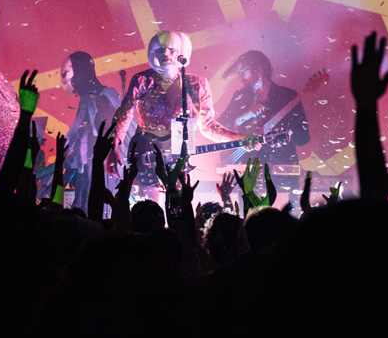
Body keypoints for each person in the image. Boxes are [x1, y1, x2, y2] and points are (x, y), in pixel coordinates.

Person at [111, 31, 256, 187]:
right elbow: (123, 116)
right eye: (160, 50)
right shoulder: (142, 81)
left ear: (181, 52)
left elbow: (207, 126)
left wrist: (238, 138)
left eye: (171, 50)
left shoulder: (197, 84)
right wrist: (112, 148)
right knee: (150, 206)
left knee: (180, 203)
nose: (165, 53)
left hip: (181, 155)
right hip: (147, 154)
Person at [217, 50, 311, 194]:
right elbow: (219, 127)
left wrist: (277, 133)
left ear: (259, 68)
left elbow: (303, 137)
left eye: (243, 71)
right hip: (245, 168)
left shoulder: (288, 96)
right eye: (239, 73)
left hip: (281, 170)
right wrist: (242, 117)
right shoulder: (240, 96)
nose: (240, 77)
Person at [58, 51, 121, 212]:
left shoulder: (101, 97)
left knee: (95, 201)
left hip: (100, 163)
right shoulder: (91, 98)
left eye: (66, 74)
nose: (64, 81)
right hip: (90, 163)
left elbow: (108, 130)